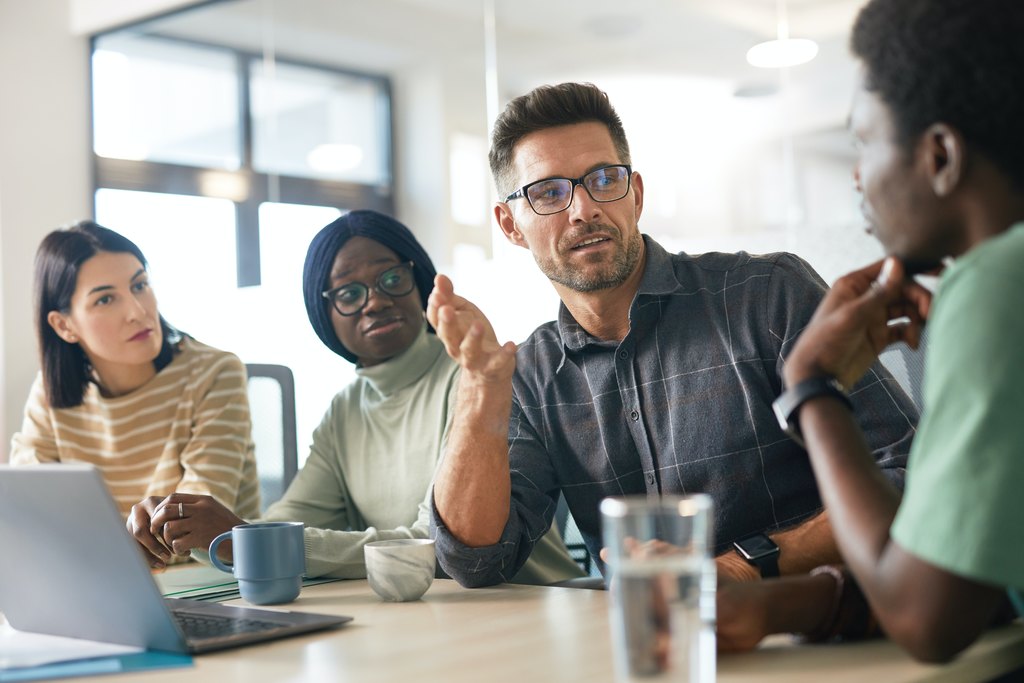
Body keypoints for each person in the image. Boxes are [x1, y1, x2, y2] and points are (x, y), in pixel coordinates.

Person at [426, 82, 919, 589]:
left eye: (603, 179)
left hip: (818, 629)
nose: (584, 209)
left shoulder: (766, 294)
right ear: (510, 224)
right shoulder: (531, 373)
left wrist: (745, 566)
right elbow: (475, 562)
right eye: (549, 192)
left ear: (635, 195)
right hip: (650, 649)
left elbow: (911, 473)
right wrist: (480, 390)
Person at [716, 0, 1024, 663]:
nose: (857, 175)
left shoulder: (996, 282)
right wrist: (784, 603)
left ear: (940, 155)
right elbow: (976, 585)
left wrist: (811, 387)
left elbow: (927, 618)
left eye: (864, 140)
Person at [127, 210, 583, 583]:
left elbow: (439, 545)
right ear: (323, 314)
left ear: (420, 282)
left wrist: (243, 538)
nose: (374, 302)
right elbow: (292, 519)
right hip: (428, 623)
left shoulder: (476, 381)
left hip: (532, 608)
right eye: (348, 292)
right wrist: (194, 529)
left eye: (390, 280)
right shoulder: (344, 410)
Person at [10, 221, 260, 522]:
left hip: (206, 569)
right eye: (105, 299)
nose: (138, 312)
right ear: (64, 326)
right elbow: (31, 515)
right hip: (101, 569)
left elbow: (194, 529)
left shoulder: (215, 374)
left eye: (139, 285)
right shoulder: (49, 394)